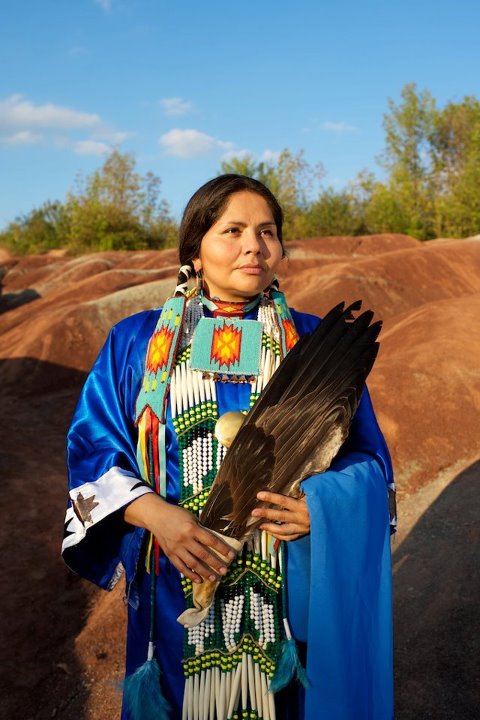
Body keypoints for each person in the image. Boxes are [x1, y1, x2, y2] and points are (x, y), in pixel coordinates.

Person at [62, 174, 395, 720]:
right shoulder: (136, 342)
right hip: (177, 576)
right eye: (232, 230)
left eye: (267, 231)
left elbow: (366, 457)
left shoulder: (311, 343)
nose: (253, 246)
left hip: (287, 578)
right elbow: (92, 454)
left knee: (284, 702)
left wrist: (324, 505)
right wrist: (157, 517)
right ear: (195, 247)